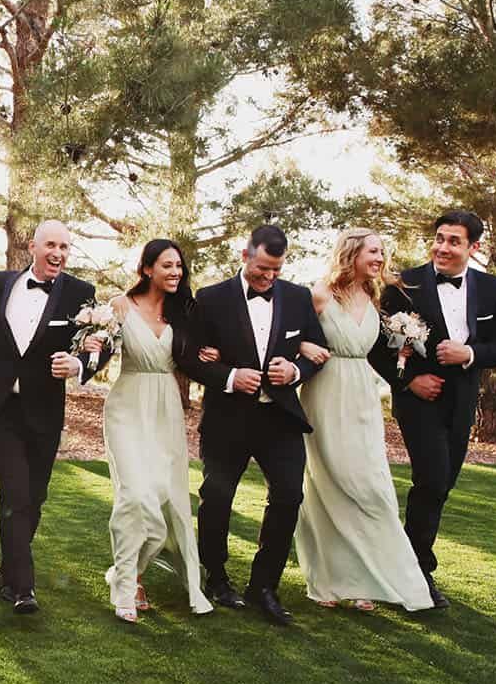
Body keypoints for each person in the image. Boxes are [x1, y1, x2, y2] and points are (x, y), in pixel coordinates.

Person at [0, 221, 98, 615]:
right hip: (1, 409)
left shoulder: (81, 293)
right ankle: (23, 587)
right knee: (17, 492)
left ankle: (7, 570)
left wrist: (79, 363)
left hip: (45, 412)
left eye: (65, 246)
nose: (58, 253)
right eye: (51, 245)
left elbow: (100, 343)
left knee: (33, 496)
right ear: (33, 246)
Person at [181, 224, 327, 626]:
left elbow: (317, 353)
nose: (268, 278)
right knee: (217, 494)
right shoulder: (210, 298)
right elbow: (189, 357)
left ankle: (264, 585)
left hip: (280, 417)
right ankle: (217, 577)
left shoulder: (298, 298)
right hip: (228, 417)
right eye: (262, 268)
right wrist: (229, 377)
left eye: (276, 271)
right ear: (244, 255)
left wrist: (294, 371)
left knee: (288, 495)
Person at [369, 210, 496, 609]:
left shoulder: (492, 290)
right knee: (432, 478)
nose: (443, 247)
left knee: (441, 485)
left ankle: (406, 563)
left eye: (454, 241)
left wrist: (469, 352)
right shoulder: (404, 284)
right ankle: (418, 572)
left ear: (474, 247)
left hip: (462, 401)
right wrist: (409, 380)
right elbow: (375, 347)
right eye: (439, 238)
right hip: (418, 400)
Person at [294, 229, 432, 613]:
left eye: (382, 251)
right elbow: (290, 334)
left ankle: (367, 578)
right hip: (326, 392)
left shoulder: (374, 297)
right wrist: (304, 345)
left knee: (370, 486)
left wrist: (404, 347)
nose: (380, 257)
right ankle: (326, 578)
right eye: (373, 250)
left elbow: (378, 350)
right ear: (351, 253)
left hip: (363, 396)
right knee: (329, 483)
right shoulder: (320, 294)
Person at [85, 239, 212, 623]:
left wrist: (213, 356)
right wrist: (92, 343)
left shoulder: (185, 312)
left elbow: (196, 355)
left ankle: (131, 573)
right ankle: (124, 587)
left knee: (163, 504)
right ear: (146, 269)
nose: (175, 272)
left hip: (166, 412)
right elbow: (99, 353)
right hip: (127, 407)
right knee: (134, 498)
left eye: (179, 267)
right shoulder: (121, 306)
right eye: (167, 266)